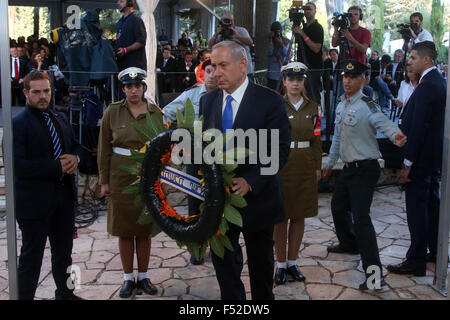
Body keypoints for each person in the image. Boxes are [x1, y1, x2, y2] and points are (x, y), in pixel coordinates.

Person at [199, 40, 290, 300]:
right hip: (220, 203)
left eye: (223, 65)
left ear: (242, 64)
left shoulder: (270, 101)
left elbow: (280, 151)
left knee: (261, 268)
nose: (216, 73)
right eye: (213, 66)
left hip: (259, 201)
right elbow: (207, 148)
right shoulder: (208, 102)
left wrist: (251, 181)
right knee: (225, 266)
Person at [323, 60, 406, 290]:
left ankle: (374, 277)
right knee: (338, 207)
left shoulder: (368, 103)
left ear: (363, 80)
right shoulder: (341, 104)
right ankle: (349, 244)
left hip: (366, 169)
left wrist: (394, 134)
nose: (347, 81)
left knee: (361, 220)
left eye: (353, 77)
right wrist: (330, 163)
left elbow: (382, 121)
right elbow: (338, 138)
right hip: (348, 169)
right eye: (344, 77)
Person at [13, 70, 83, 300]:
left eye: (46, 91)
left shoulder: (60, 118)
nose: (43, 96)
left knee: (64, 255)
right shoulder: (17, 124)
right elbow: (19, 166)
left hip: (63, 201)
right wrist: (57, 167)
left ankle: (66, 294)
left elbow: (74, 147)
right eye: (36, 92)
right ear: (25, 93)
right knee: (31, 259)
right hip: (34, 203)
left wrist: (75, 159)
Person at [98, 67, 164, 298]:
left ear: (143, 87)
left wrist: (161, 178)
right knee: (125, 230)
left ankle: (144, 277)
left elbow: (163, 148)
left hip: (148, 176)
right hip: (120, 175)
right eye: (128, 86)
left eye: (137, 86)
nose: (133, 90)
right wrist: (104, 181)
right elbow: (104, 148)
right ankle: (128, 278)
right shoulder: (112, 112)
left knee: (144, 229)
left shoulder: (156, 113)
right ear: (123, 89)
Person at [388, 41, 446, 276]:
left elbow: (419, 127)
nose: (409, 61)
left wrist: (407, 164)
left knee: (418, 210)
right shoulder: (435, 82)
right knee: (431, 206)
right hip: (430, 158)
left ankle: (416, 260)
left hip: (421, 159)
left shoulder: (429, 85)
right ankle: (434, 251)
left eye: (413, 58)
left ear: (427, 60)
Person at [274, 62, 322, 285]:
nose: (295, 83)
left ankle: (293, 262)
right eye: (291, 79)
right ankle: (280, 264)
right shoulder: (275, 106)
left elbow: (317, 137)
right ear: (284, 81)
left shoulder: (314, 107)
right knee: (280, 217)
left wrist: (318, 167)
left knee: (299, 215)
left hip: (304, 165)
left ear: (304, 82)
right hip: (281, 165)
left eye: (299, 80)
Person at [292, 1, 324, 104]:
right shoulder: (303, 27)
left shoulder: (318, 28)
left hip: (313, 67)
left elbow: (316, 48)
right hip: (301, 66)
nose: (307, 11)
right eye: (305, 9)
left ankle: (317, 119)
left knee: (313, 96)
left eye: (310, 8)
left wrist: (302, 33)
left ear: (315, 11)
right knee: (302, 95)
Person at [208, 11, 254, 77]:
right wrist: (216, 34)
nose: (228, 23)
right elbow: (210, 46)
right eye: (225, 20)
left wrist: (237, 36)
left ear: (233, 21)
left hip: (244, 70)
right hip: (228, 72)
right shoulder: (220, 33)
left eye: (229, 20)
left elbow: (250, 42)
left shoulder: (241, 30)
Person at [115, 0, 147, 72]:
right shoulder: (119, 22)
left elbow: (141, 42)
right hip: (122, 65)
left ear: (129, 3)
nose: (118, 3)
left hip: (134, 66)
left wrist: (125, 50)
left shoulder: (136, 20)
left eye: (121, 1)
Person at [267, 21, 288, 91]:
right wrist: (270, 39)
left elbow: (287, 54)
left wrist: (281, 44)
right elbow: (270, 52)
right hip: (271, 74)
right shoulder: (270, 42)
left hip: (281, 75)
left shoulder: (285, 41)